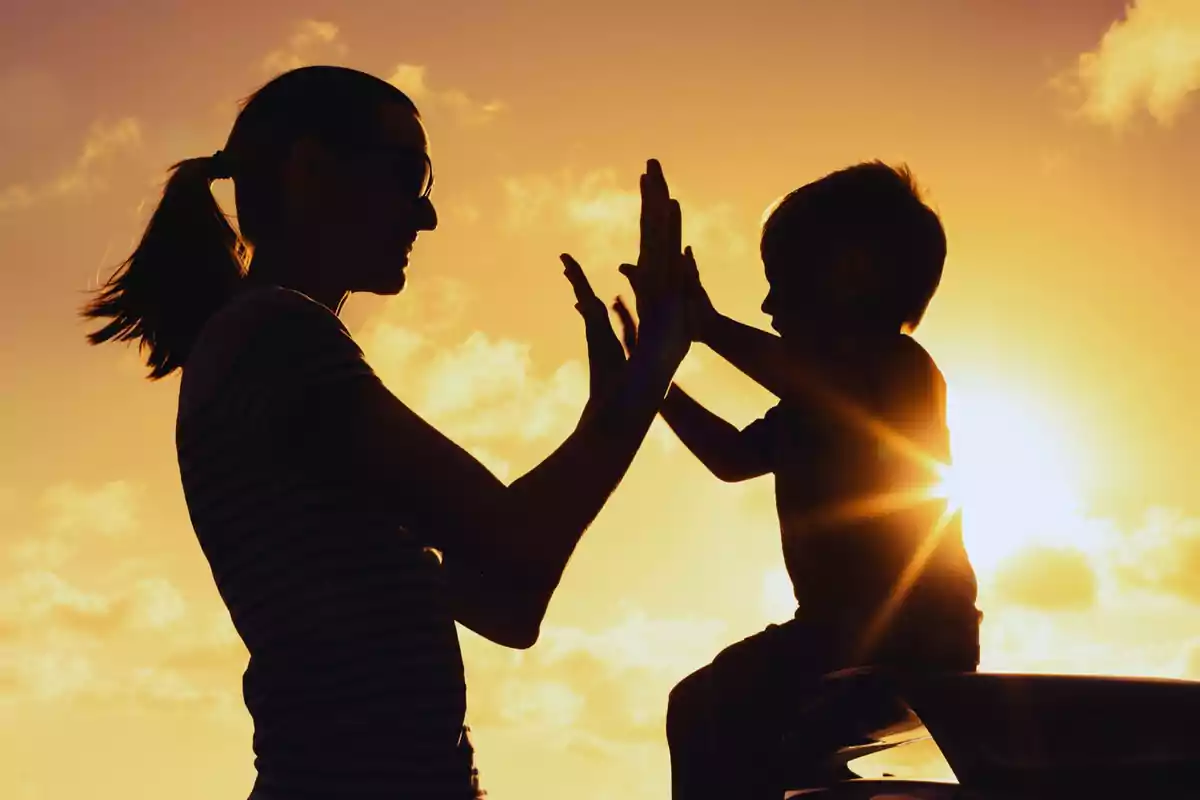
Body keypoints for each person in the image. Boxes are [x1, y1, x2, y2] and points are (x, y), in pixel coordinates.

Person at [81, 65, 694, 799]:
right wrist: (645, 375)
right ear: (311, 170)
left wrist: (617, 405)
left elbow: (509, 605)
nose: (426, 215)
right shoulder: (277, 339)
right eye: (410, 174)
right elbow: (517, 547)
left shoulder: (269, 348)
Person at [634, 162, 982, 799]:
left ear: (852, 274)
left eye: (781, 284)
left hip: (914, 634)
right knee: (705, 708)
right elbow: (732, 457)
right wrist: (651, 378)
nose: (767, 308)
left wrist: (702, 323)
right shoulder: (807, 406)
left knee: (731, 715)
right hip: (833, 633)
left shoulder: (902, 372)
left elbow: (823, 384)